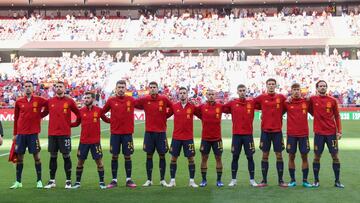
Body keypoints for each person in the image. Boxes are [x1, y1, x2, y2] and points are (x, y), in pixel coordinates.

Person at [42, 81, 81, 189]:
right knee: (53, 156)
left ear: (64, 88)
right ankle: (52, 181)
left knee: (66, 156)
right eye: (57, 86)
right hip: (52, 134)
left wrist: (72, 125)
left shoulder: (70, 101)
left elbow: (79, 115)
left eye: (60, 86)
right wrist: (34, 117)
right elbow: (44, 113)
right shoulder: (50, 101)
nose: (58, 88)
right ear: (55, 89)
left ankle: (68, 181)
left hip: (64, 134)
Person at [10, 81, 47, 189]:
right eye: (25, 86)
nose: (27, 88)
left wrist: (40, 115)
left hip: (33, 134)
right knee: (20, 158)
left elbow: (49, 107)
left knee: (37, 157)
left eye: (29, 86)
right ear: (23, 88)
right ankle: (18, 181)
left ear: (33, 88)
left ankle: (39, 181)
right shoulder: (19, 102)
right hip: (21, 134)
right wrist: (15, 133)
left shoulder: (40, 100)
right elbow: (16, 118)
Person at [135, 81, 172, 187]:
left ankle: (162, 180)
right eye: (150, 87)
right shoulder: (145, 99)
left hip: (161, 132)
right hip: (149, 133)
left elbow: (172, 108)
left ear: (157, 88)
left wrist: (165, 116)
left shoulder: (164, 99)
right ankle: (149, 180)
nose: (152, 89)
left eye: (154, 87)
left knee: (162, 155)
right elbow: (134, 103)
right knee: (149, 155)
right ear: (148, 89)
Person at [102, 80, 137, 188]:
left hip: (127, 134)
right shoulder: (111, 100)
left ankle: (129, 180)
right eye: (119, 87)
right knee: (114, 156)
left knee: (127, 156)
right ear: (116, 88)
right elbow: (102, 113)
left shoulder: (131, 100)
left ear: (126, 88)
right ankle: (114, 180)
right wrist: (109, 121)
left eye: (123, 87)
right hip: (115, 133)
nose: (121, 89)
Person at [71, 92, 109, 189]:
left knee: (99, 162)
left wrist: (119, 119)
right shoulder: (81, 111)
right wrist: (67, 124)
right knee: (80, 162)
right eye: (85, 98)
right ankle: (77, 183)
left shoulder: (99, 110)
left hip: (95, 142)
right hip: (83, 141)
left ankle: (101, 182)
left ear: (93, 99)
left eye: (88, 98)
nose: (86, 100)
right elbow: (76, 123)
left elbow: (107, 120)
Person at [310, 80, 344, 188]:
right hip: (319, 134)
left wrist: (339, 131)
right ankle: (316, 181)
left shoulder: (332, 100)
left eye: (324, 86)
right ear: (317, 88)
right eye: (320, 86)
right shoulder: (312, 99)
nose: (323, 87)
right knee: (316, 157)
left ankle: (337, 181)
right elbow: (301, 102)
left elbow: (337, 116)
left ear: (326, 87)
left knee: (335, 156)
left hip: (331, 134)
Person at [254, 78, 287, 187]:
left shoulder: (281, 97)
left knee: (279, 155)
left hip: (277, 132)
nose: (271, 86)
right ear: (266, 85)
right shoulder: (262, 97)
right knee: (265, 155)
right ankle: (264, 180)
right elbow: (252, 103)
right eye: (269, 84)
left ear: (276, 86)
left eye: (273, 84)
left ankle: (281, 180)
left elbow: (288, 104)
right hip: (265, 132)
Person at [223, 84, 258, 187]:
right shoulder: (233, 103)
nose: (242, 92)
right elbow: (223, 108)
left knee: (250, 157)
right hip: (237, 135)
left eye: (244, 90)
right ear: (237, 92)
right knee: (235, 157)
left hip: (248, 135)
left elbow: (263, 105)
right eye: (240, 90)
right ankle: (233, 180)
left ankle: (252, 180)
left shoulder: (251, 102)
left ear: (246, 91)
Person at [166, 87, 198, 187]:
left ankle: (192, 181)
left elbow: (203, 115)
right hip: (176, 137)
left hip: (188, 138)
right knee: (173, 158)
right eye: (181, 93)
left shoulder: (192, 107)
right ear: (178, 95)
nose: (182, 95)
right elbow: (165, 116)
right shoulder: (174, 106)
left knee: (191, 159)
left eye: (184, 93)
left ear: (187, 94)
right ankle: (172, 181)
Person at [284, 83, 312, 188]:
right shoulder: (286, 102)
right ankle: (292, 180)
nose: (296, 91)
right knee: (291, 156)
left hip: (303, 134)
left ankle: (305, 181)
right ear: (291, 91)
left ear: (301, 91)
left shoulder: (306, 101)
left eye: (298, 89)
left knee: (304, 156)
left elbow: (315, 102)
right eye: (294, 89)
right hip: (291, 134)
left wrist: (309, 96)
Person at [195, 89, 224, 187]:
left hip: (217, 138)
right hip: (205, 138)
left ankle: (219, 180)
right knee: (204, 159)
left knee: (218, 158)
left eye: (213, 94)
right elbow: (195, 112)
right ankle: (204, 180)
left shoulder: (220, 106)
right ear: (206, 95)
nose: (211, 96)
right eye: (209, 94)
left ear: (215, 95)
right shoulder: (202, 107)